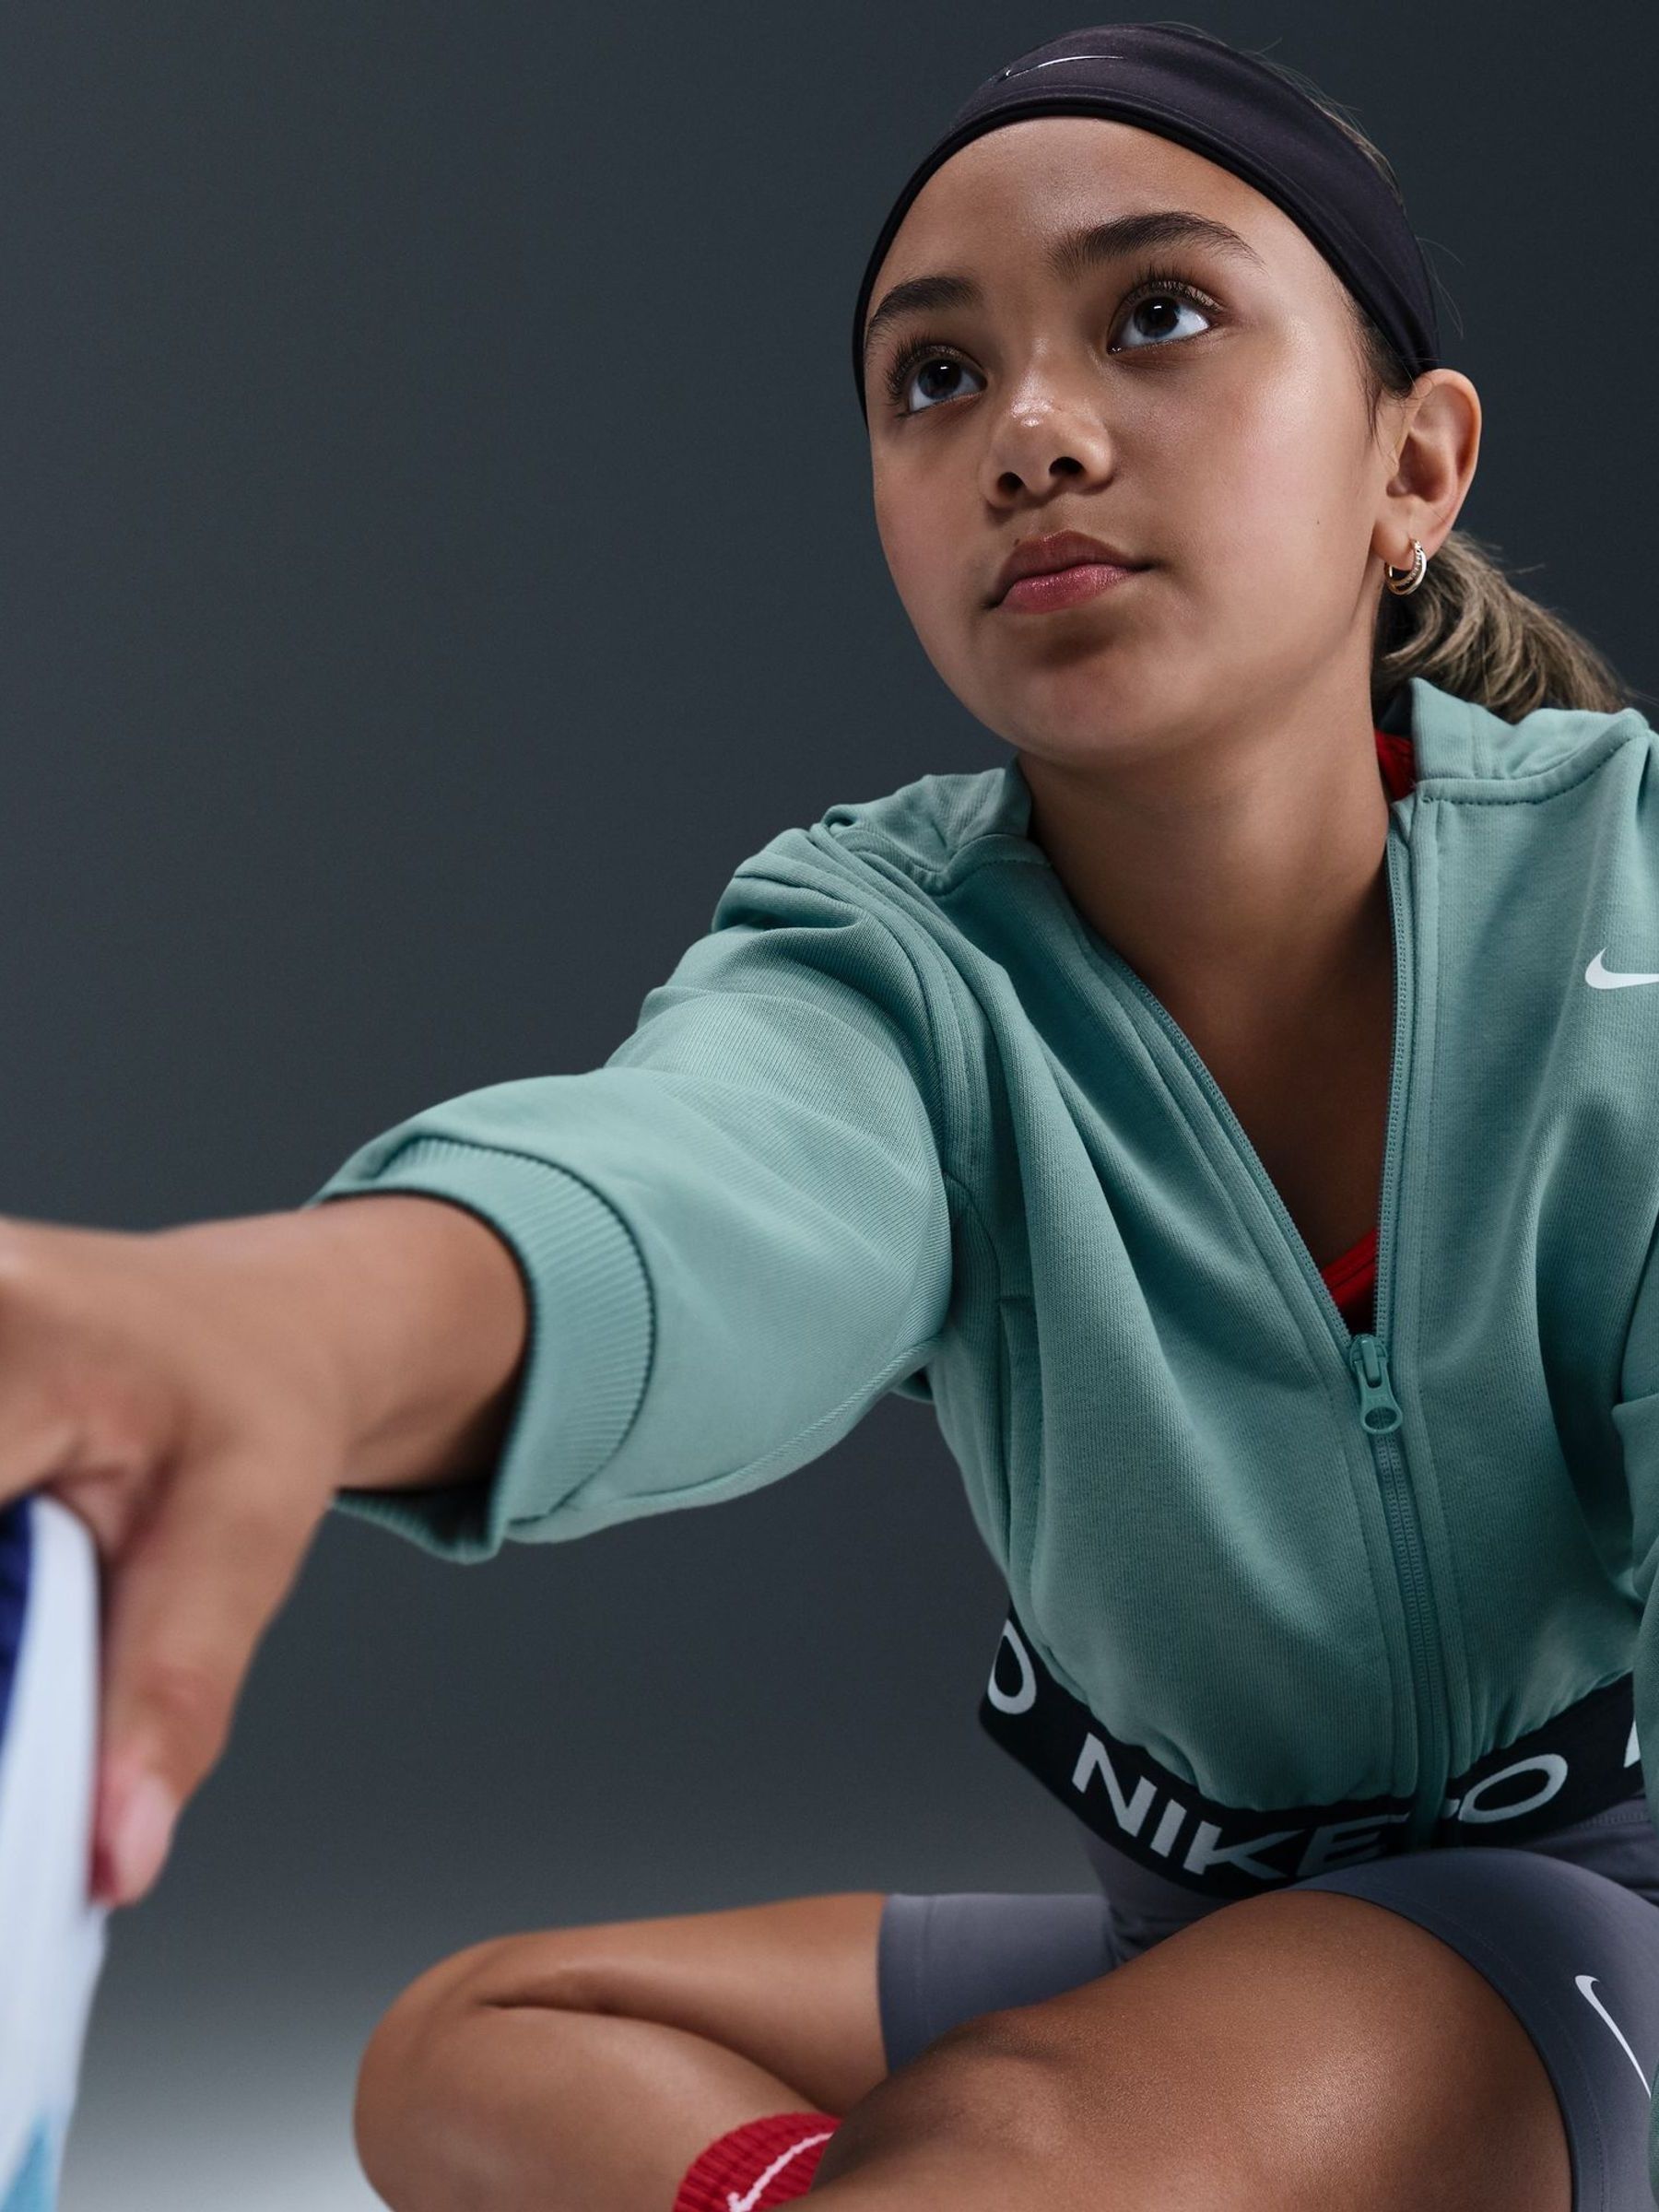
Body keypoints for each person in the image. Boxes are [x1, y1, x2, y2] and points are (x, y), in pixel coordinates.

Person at [5, 18, 1657, 2212]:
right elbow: (699, 1192)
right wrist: (283, 1335)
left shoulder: (1625, 906)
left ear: (1413, 467)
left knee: (1004, 2145)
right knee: (479, 2045)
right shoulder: (895, 949)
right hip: (1217, 1949)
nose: (1035, 432)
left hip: (1602, 1919)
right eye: (936, 377)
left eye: (1156, 315)